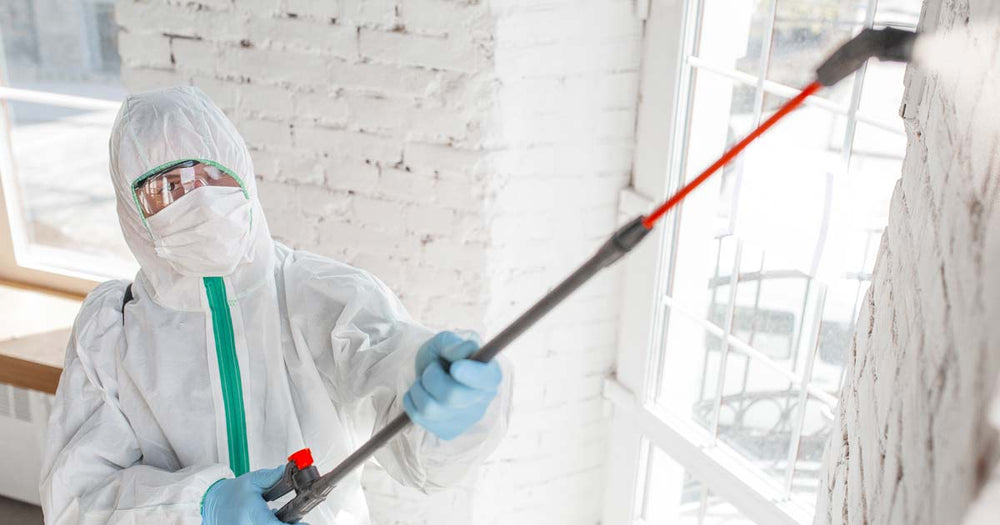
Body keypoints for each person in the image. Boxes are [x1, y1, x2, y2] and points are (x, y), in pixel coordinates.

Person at [38, 86, 511, 524]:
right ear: (132, 211)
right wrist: (200, 508)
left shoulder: (320, 294)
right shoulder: (112, 335)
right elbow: (79, 501)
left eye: (211, 173)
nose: (199, 199)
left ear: (241, 171)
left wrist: (445, 393)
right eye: (168, 189)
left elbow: (417, 452)